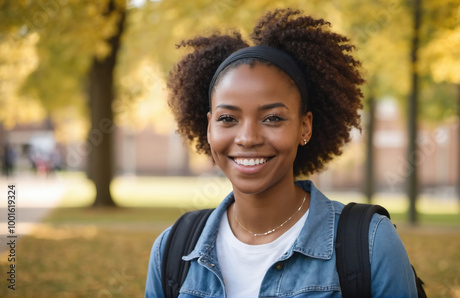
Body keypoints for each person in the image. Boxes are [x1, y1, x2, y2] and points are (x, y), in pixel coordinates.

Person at [146, 8, 418, 297]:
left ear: (304, 127)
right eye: (228, 119)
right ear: (209, 127)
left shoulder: (370, 243)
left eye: (272, 118)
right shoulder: (172, 251)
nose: (248, 138)